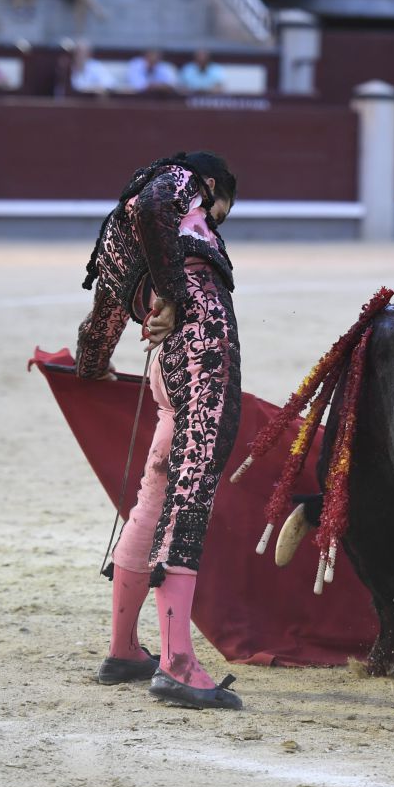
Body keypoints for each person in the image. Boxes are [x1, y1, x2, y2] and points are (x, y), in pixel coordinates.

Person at [77, 151, 243, 709]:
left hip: (166, 367)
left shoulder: (116, 238)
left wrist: (92, 365)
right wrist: (171, 295)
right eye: (220, 211)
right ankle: (177, 663)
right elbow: (155, 208)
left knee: (155, 495)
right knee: (188, 499)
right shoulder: (178, 182)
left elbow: (102, 320)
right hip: (202, 357)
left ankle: (125, 649)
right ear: (212, 185)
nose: (214, 221)